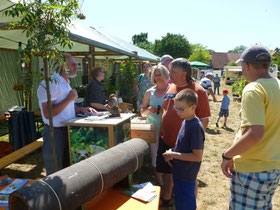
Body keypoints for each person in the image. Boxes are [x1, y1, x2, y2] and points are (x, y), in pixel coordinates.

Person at [221, 45, 280, 209]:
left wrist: (227, 156)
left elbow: (254, 134)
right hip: (273, 167)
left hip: (252, 169)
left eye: (242, 66)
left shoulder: (254, 88)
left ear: (247, 65)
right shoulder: (277, 86)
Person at [156, 58, 210, 206]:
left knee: (188, 179)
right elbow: (166, 110)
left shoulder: (198, 91)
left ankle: (189, 202)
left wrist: (194, 142)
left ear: (184, 73)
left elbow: (204, 120)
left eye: (173, 72)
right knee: (168, 171)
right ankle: (168, 196)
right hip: (167, 140)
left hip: (186, 147)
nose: (170, 74)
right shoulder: (170, 87)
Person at [37, 54, 96, 175]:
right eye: (73, 64)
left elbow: (64, 108)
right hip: (55, 133)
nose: (76, 67)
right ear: (62, 66)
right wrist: (69, 98)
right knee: (55, 171)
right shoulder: (49, 83)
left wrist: (81, 109)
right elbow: (48, 113)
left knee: (67, 169)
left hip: (67, 131)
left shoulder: (65, 82)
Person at [163, 89, 205, 210]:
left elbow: (197, 157)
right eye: (176, 108)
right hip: (179, 171)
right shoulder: (185, 120)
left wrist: (174, 154)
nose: (177, 111)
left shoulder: (195, 127)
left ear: (193, 107)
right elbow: (183, 145)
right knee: (180, 201)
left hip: (187, 175)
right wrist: (172, 152)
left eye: (181, 108)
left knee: (186, 204)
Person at [141, 64, 170, 186]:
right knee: (155, 156)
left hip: (168, 129)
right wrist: (149, 109)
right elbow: (142, 112)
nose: (158, 77)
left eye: (160, 74)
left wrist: (162, 109)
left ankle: (170, 183)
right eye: (156, 74)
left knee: (169, 156)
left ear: (166, 74)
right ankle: (160, 182)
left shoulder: (172, 90)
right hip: (153, 128)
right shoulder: (150, 92)